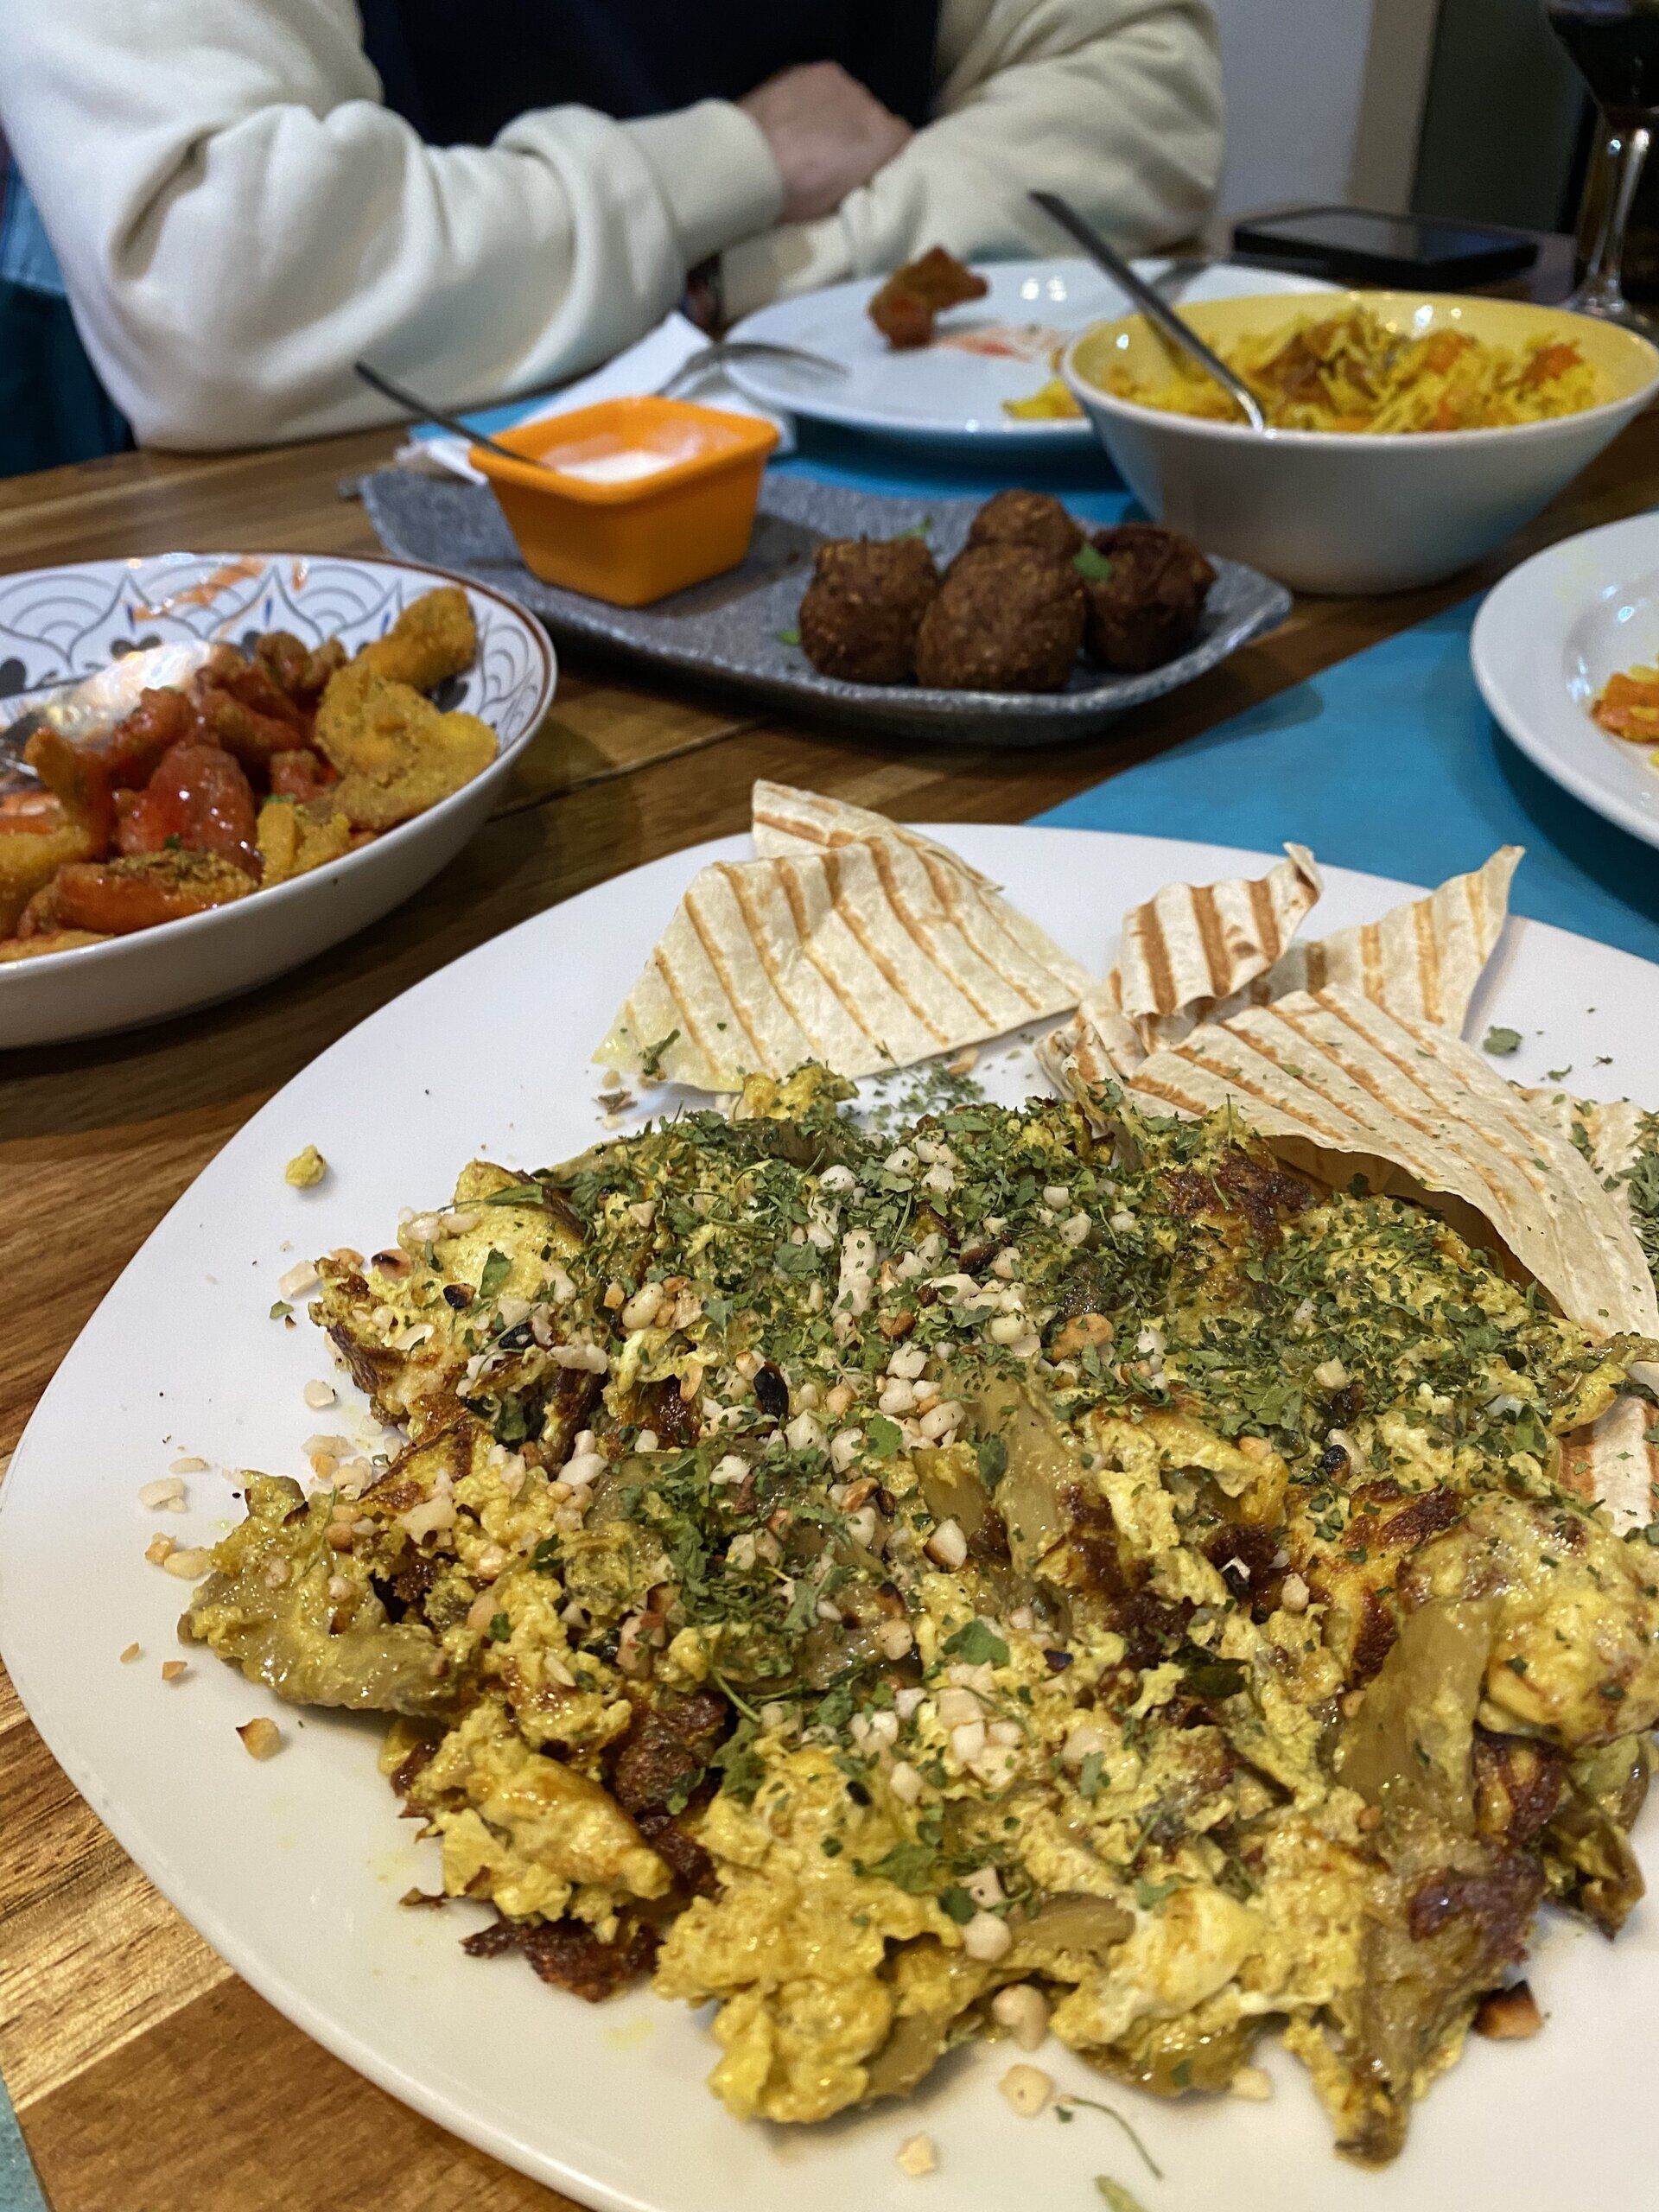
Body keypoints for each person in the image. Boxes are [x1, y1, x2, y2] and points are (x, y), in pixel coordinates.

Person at [0, 1, 1223, 467]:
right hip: (285, 525)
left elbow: (1137, 81)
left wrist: (751, 274)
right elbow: (229, 278)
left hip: (863, 470)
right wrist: (735, 164)